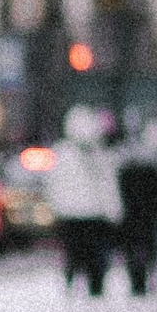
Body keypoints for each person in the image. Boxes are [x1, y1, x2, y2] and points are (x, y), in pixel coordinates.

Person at [48, 101, 124, 295]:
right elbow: (108, 185)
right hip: (93, 216)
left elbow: (53, 185)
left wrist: (55, 208)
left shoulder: (62, 153)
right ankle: (93, 290)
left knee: (74, 256)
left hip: (71, 215)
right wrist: (113, 210)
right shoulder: (99, 154)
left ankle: (73, 287)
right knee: (93, 258)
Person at [114, 121, 157, 296]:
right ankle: (150, 281)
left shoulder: (127, 165)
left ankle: (138, 284)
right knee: (152, 250)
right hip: (149, 216)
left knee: (136, 250)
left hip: (133, 216)